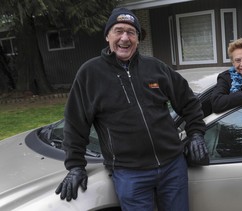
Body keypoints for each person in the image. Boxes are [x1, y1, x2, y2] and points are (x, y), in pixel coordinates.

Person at [55, 7, 209, 210]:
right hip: (130, 174)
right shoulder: (89, 74)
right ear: (107, 36)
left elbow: (189, 102)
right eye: (118, 31)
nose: (125, 38)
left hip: (173, 167)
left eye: (131, 32)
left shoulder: (156, 67)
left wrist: (196, 133)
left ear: (137, 38)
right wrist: (75, 166)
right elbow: (75, 124)